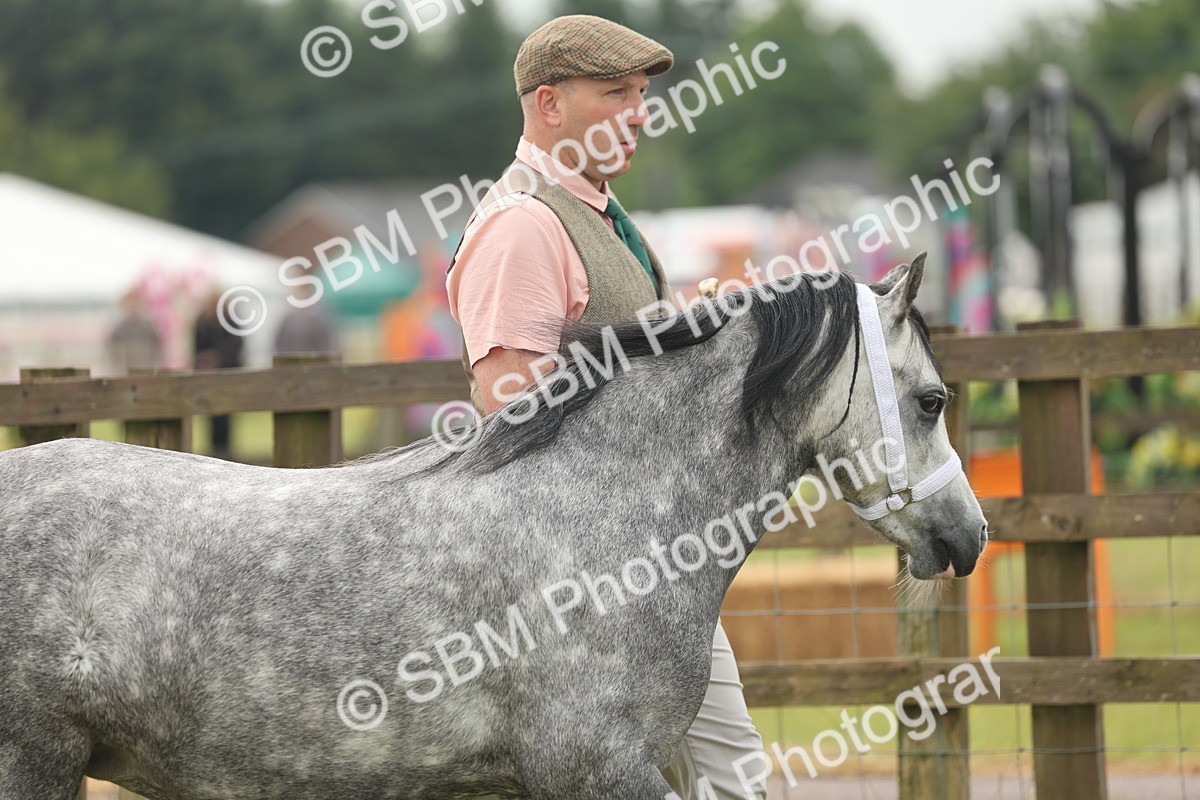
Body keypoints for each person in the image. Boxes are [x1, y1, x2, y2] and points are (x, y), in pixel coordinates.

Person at [445, 15, 768, 800]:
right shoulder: (524, 223)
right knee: (722, 773)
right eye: (615, 93)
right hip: (579, 581)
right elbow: (510, 413)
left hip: (645, 562)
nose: (640, 112)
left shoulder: (598, 214)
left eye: (642, 95)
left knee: (731, 771)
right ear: (549, 105)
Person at [193, 287, 244, 460]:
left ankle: (224, 453)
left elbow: (236, 346)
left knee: (225, 419)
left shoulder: (228, 320)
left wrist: (216, 358)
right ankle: (216, 453)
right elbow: (196, 348)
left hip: (225, 377)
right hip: (208, 378)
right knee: (210, 417)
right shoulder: (202, 320)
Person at [106, 287, 163, 375]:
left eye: (134, 302)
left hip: (147, 375)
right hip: (124, 376)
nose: (132, 306)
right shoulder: (118, 330)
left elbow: (158, 353)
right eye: (129, 303)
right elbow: (112, 357)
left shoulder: (149, 328)